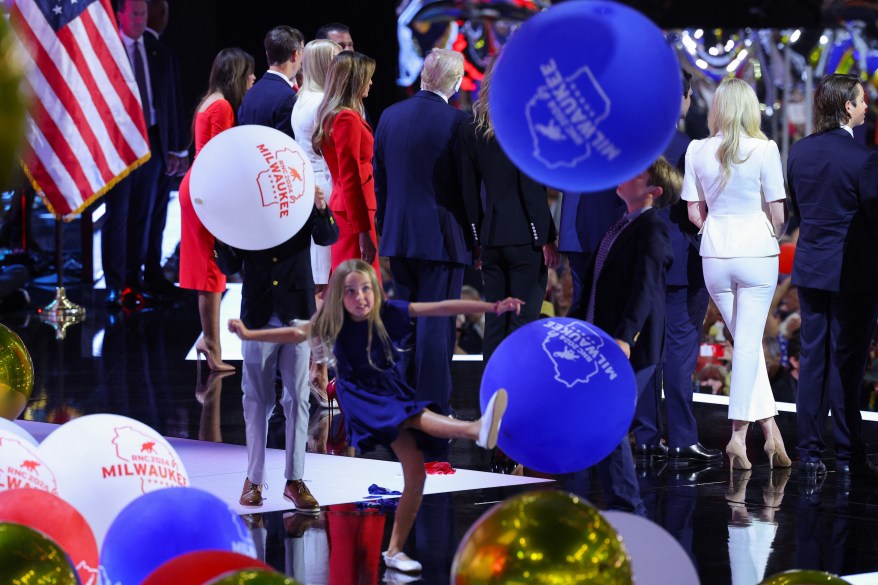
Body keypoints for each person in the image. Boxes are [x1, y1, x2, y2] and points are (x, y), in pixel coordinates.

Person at [229, 259, 519, 574]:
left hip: (390, 392)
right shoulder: (334, 323)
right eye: (351, 291)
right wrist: (248, 333)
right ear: (339, 296)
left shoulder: (387, 313)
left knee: (416, 475)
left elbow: (439, 307)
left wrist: (492, 306)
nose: (360, 297)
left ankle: (394, 551)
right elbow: (293, 333)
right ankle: (475, 429)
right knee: (412, 416)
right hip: (363, 400)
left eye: (366, 289)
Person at [235, 25, 338, 514]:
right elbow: (230, 252)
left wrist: (318, 204)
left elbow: (327, 237)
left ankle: (295, 478)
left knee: (298, 396)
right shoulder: (248, 205)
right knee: (256, 396)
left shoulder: (301, 196)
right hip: (258, 299)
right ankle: (254, 480)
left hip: (295, 300)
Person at [681, 78, 790, 471]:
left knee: (745, 346)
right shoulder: (765, 149)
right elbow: (778, 211)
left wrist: (713, 228)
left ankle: (772, 433)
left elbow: (695, 211)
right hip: (756, 252)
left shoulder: (696, 150)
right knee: (746, 346)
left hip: (715, 253)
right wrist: (770, 234)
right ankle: (738, 438)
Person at [373, 48, 475, 430]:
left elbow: (380, 180)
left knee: (408, 323)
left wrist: (386, 226)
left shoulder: (389, 115)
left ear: (422, 76)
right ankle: (433, 411)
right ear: (456, 82)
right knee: (436, 325)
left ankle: (404, 404)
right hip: (442, 239)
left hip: (399, 236)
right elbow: (466, 188)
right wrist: (475, 237)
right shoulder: (457, 122)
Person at [568, 157, 676, 516]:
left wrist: (627, 336)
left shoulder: (653, 230)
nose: (626, 175)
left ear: (653, 192)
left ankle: (628, 509)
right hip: (604, 340)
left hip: (632, 345)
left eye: (638, 174)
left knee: (609, 420)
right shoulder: (620, 225)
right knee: (604, 423)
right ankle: (623, 507)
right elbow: (593, 284)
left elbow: (644, 290)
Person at [786, 73, 878, 480]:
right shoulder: (863, 158)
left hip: (809, 268)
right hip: (852, 274)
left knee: (812, 359)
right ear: (847, 107)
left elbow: (799, 213)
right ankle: (847, 449)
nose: (866, 107)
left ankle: (808, 449)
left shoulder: (799, 152)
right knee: (847, 362)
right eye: (861, 101)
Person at [634, 69, 722, 466]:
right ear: (684, 100)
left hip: (641, 262)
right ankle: (683, 438)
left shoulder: (634, 146)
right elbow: (700, 212)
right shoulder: (694, 149)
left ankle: (647, 436)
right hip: (682, 264)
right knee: (680, 355)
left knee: (647, 351)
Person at [457, 58, 560, 362]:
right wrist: (546, 237)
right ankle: (516, 399)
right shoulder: (523, 125)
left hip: (490, 238)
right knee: (522, 323)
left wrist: (476, 238)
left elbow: (469, 191)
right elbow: (530, 188)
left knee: (496, 322)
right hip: (524, 241)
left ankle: (491, 399)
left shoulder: (472, 127)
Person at [102, 0, 186, 308]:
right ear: (120, 15)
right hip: (119, 144)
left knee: (145, 214)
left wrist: (178, 148)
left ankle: (137, 281)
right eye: (134, 13)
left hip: (152, 140)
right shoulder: (107, 52)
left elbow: (171, 101)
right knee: (118, 216)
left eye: (143, 14)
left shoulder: (158, 52)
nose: (140, 19)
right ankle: (115, 284)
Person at [178, 48, 255, 372]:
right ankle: (211, 346)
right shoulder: (222, 106)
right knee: (211, 273)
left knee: (209, 273)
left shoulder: (209, 100)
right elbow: (219, 157)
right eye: (249, 74)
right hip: (205, 192)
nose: (253, 79)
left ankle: (207, 342)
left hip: (197, 188)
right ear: (236, 75)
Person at [291, 38, 342, 407]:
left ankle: (317, 367)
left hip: (310, 191)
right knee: (323, 292)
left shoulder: (302, 100)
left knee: (320, 289)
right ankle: (317, 371)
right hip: (323, 193)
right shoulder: (320, 105)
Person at [313, 51, 380, 276]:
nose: (371, 82)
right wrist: (363, 230)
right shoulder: (346, 119)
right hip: (354, 216)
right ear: (354, 80)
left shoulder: (339, 115)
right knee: (358, 286)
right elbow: (350, 176)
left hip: (353, 212)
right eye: (367, 77)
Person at [237, 26, 303, 140]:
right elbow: (287, 148)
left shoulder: (250, 93)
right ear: (295, 54)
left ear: (267, 54)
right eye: (303, 51)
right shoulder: (288, 97)